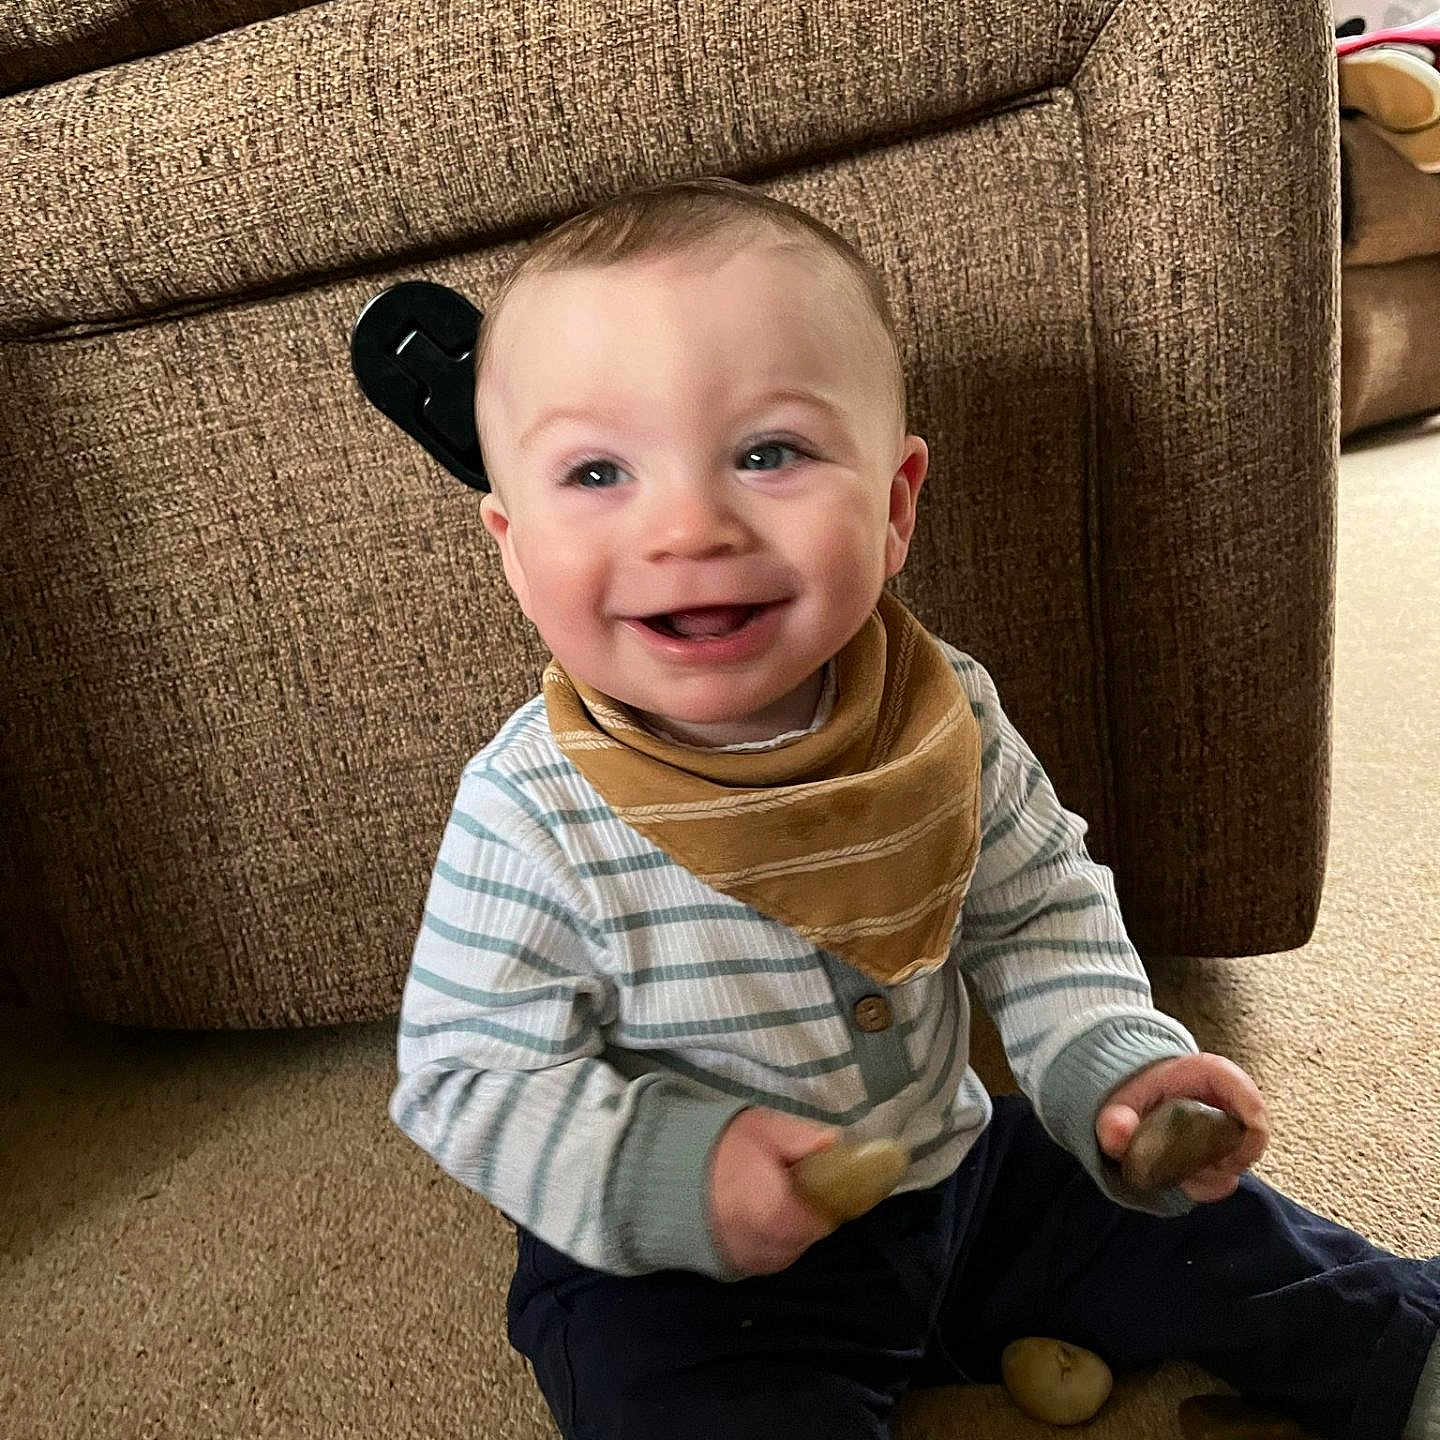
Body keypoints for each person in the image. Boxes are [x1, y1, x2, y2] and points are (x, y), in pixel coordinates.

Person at [388, 177, 1439, 1440]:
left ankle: (1406, 1354)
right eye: (599, 471)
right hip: (680, 1272)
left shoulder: (946, 715)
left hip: (955, 1171)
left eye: (768, 453)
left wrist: (1117, 1064)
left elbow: (1037, 910)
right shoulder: (531, 812)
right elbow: (466, 1073)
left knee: (1228, 1237)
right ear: (510, 545)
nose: (689, 525)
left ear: (893, 507)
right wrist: (675, 1176)